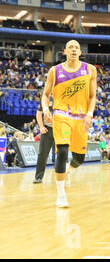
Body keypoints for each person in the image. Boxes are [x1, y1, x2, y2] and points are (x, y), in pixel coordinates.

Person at [41, 39, 97, 208]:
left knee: (79, 159)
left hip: (81, 117)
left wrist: (89, 113)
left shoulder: (90, 70)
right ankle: (61, 194)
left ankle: (66, 171)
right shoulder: (54, 71)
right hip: (61, 114)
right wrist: (45, 109)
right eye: (70, 47)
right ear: (64, 51)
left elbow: (92, 96)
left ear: (80, 52)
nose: (74, 49)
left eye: (77, 47)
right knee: (63, 151)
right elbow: (45, 95)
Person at [33, 98, 55, 183]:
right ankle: (38, 177)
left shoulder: (64, 97)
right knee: (42, 154)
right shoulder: (46, 99)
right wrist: (41, 126)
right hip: (47, 129)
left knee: (62, 152)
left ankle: (62, 175)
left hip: (60, 129)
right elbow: (39, 113)